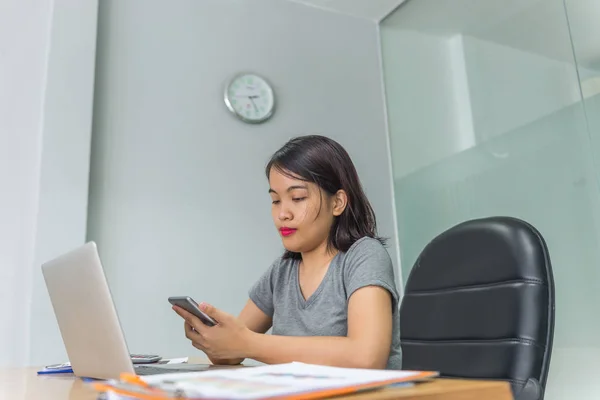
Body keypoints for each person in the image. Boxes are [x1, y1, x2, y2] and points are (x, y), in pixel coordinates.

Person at [172, 135, 402, 369]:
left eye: (297, 198)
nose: (283, 214)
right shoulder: (281, 272)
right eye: (275, 200)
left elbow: (366, 357)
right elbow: (232, 352)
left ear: (338, 203)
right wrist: (214, 339)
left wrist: (248, 343)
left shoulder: (364, 256)